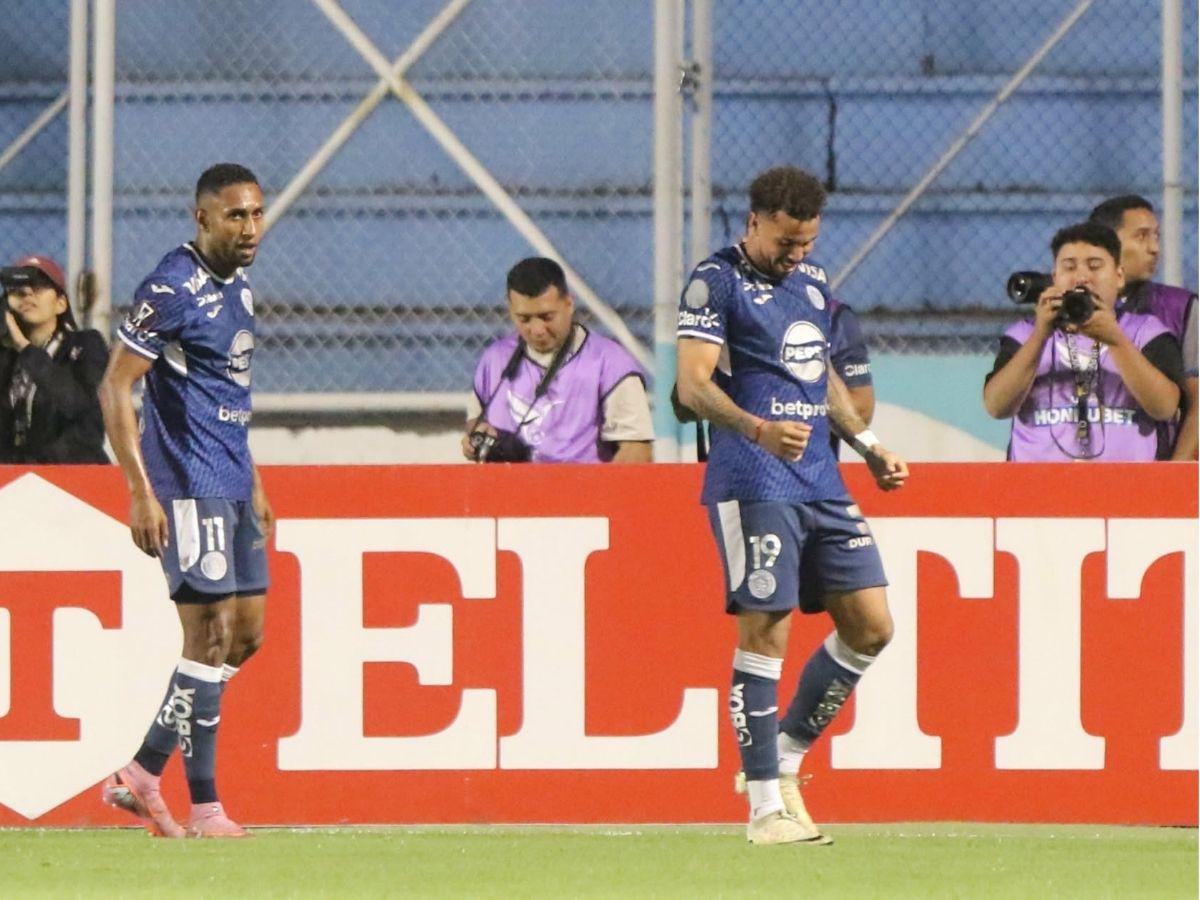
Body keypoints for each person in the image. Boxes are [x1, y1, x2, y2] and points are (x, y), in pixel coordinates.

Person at [675, 166, 909, 846]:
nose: (797, 255)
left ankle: (781, 758)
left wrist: (865, 443)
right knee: (766, 629)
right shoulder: (713, 281)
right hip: (754, 477)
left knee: (871, 625)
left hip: (821, 481)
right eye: (785, 242)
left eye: (806, 242)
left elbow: (820, 372)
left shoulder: (812, 282)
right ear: (753, 224)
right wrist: (756, 429)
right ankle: (764, 812)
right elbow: (692, 384)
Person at [97, 163, 273, 838]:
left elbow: (227, 394)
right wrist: (140, 492)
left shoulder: (242, 286)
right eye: (236, 216)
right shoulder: (170, 288)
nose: (251, 227)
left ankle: (143, 771)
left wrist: (254, 479)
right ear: (202, 218)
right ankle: (206, 809)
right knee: (208, 636)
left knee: (247, 637)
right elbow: (115, 387)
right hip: (186, 483)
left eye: (257, 213)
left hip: (232, 481)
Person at [983, 221, 1182, 460]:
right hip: (1036, 488)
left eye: (1094, 266)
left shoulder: (1147, 332)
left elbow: (1165, 408)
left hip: (1128, 488)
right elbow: (996, 406)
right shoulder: (1024, 334)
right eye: (1069, 267)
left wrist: (1116, 340)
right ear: (1055, 277)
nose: (1081, 277)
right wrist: (1040, 336)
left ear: (1119, 277)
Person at [462, 256, 653, 463]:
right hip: (507, 491)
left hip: (583, 492)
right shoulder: (494, 359)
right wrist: (477, 438)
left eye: (547, 317)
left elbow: (637, 451)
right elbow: (475, 422)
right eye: (524, 319)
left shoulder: (612, 364)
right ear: (510, 311)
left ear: (569, 304)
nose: (537, 330)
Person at [1089, 194, 1198, 459]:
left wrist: (1176, 472)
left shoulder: (1181, 308)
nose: (1154, 248)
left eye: (1156, 236)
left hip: (1155, 470)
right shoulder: (1070, 309)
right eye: (1141, 237)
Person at [0, 256, 108, 463]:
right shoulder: (6, 357)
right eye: (18, 288)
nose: (28, 293)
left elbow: (76, 404)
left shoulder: (86, 345)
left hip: (74, 478)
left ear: (60, 304)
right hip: (14, 482)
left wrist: (26, 348)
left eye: (39, 286)